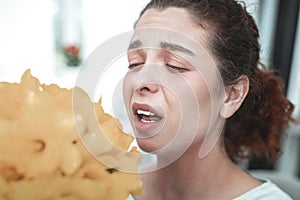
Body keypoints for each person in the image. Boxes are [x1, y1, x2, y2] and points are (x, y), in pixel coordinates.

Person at [122, 0, 295, 199]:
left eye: (175, 65)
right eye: (135, 63)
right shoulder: (103, 189)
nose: (141, 80)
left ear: (231, 95)